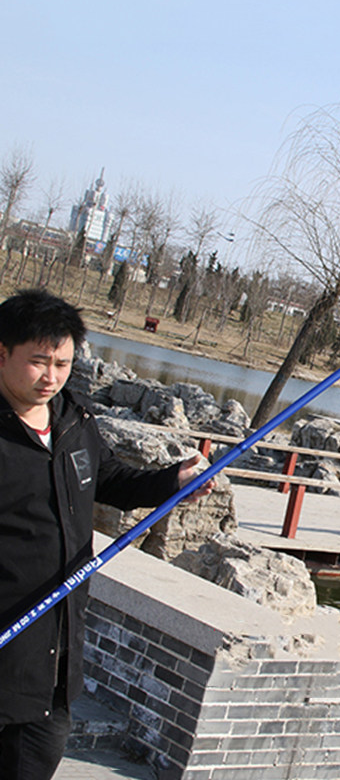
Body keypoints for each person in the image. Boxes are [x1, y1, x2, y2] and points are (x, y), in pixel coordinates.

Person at [0, 289, 215, 779]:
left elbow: (111, 481)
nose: (51, 377)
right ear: (2, 353)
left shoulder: (74, 419)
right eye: (38, 362)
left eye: (62, 363)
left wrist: (173, 481)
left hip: (51, 663)